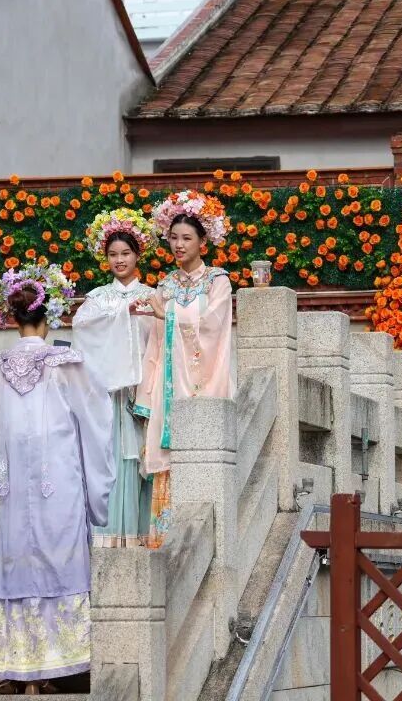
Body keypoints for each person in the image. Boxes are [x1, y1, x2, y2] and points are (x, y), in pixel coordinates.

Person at [0, 264, 115, 695]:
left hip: (17, 488)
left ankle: (3, 667)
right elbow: (97, 425)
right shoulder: (67, 363)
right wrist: (97, 492)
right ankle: (51, 667)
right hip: (60, 482)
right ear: (49, 315)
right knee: (60, 561)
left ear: (13, 317)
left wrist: (5, 478)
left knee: (15, 564)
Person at [132, 191, 234, 549]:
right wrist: (146, 394)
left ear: (203, 241)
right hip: (169, 383)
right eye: (173, 237)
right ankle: (165, 543)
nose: (178, 244)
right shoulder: (166, 286)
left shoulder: (218, 281)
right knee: (168, 463)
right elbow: (155, 344)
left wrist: (170, 314)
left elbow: (214, 326)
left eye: (187, 238)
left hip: (205, 378)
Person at [72, 208, 160, 548]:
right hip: (108, 396)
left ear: (138, 255)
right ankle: (105, 538)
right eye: (113, 254)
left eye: (125, 253)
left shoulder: (152, 295)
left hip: (143, 392)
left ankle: (141, 537)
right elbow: (84, 332)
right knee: (108, 461)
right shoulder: (97, 299)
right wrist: (122, 313)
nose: (119, 260)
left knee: (141, 460)